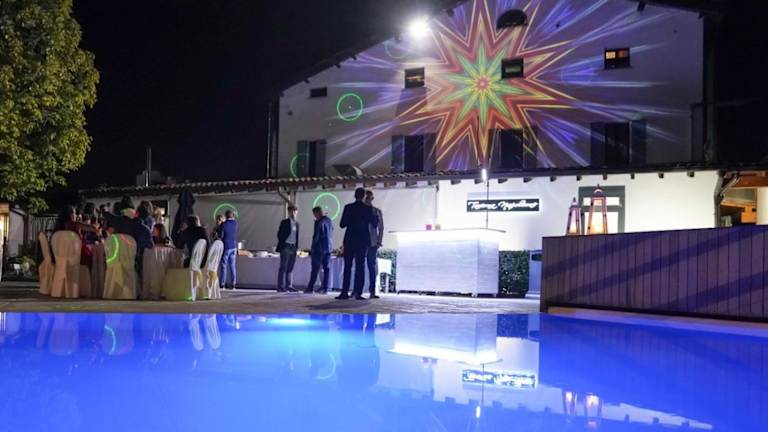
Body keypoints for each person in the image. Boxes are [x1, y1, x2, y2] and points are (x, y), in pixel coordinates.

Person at [337, 188, 377, 300]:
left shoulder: (348, 207)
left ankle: (344, 292)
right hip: (362, 240)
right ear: (364, 196)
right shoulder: (368, 209)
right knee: (360, 266)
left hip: (349, 239)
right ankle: (358, 293)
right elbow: (374, 224)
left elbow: (342, 224)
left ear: (354, 196)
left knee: (347, 267)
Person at [305, 206, 333, 294]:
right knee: (326, 268)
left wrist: (313, 247)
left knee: (315, 268)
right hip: (328, 248)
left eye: (314, 214)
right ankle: (325, 288)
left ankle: (310, 288)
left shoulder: (319, 222)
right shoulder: (329, 221)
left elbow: (316, 236)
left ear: (317, 213)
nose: (314, 216)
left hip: (319, 249)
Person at [364, 190, 384, 299]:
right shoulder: (361, 210)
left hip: (372, 242)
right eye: (366, 198)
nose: (368, 200)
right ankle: (357, 291)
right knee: (361, 266)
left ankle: (372, 290)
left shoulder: (376, 211)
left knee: (371, 266)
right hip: (362, 241)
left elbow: (381, 227)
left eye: (369, 198)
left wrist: (379, 241)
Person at [276, 205, 300, 292]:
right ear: (289, 212)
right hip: (286, 246)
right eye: (293, 212)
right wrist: (283, 242)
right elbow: (279, 234)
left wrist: (297, 247)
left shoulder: (297, 223)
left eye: (295, 212)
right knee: (283, 266)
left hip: (293, 247)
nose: (294, 214)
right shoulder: (284, 222)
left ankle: (289, 285)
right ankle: (280, 286)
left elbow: (297, 236)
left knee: (290, 267)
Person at [219, 210, 238, 290]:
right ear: (232, 216)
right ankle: (233, 284)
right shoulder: (235, 223)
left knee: (224, 265)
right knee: (232, 266)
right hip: (234, 246)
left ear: (226, 216)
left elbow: (221, 235)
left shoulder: (223, 224)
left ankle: (222, 284)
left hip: (226, 246)